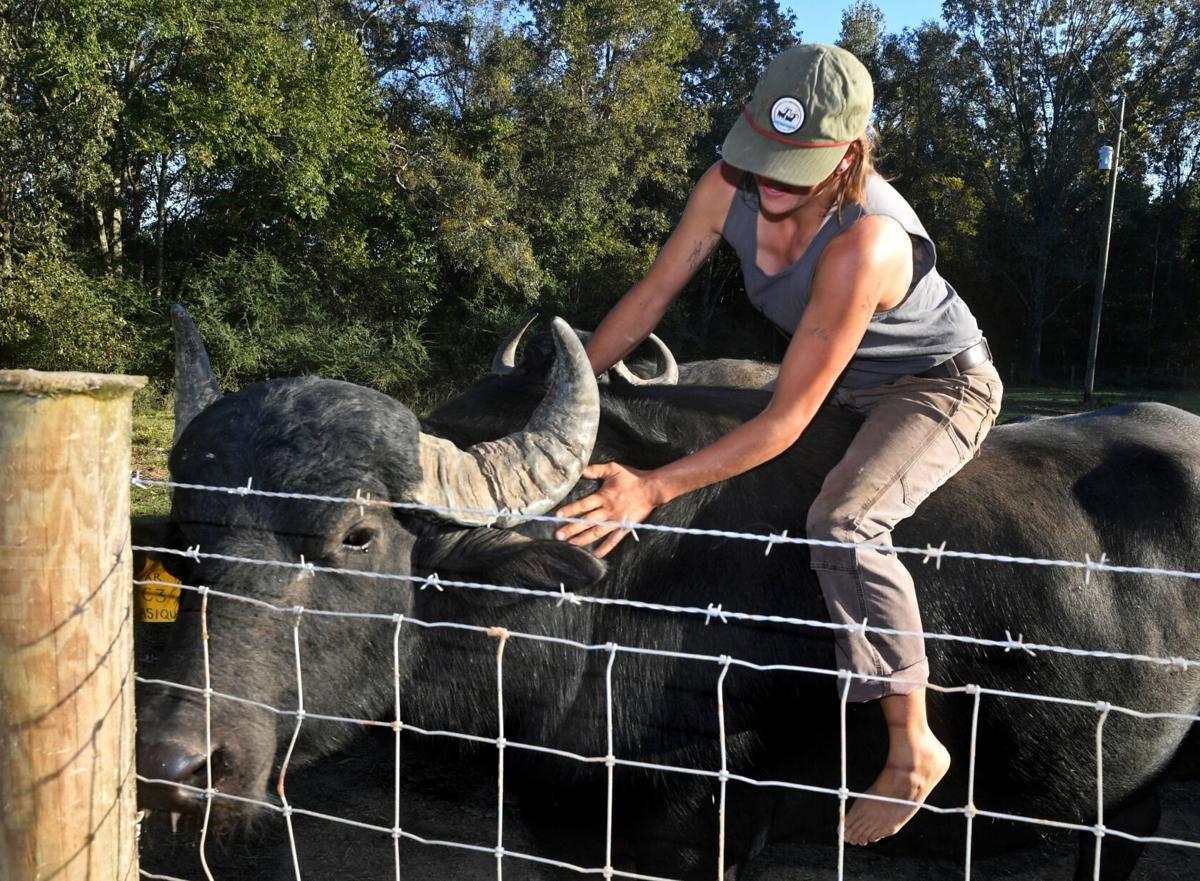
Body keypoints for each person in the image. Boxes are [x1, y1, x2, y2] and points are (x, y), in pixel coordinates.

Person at [552, 43, 1002, 846]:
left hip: (935, 386)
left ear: (851, 156)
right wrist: (567, 390)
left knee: (844, 521)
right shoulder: (727, 184)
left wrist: (652, 488)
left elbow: (787, 420)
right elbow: (653, 292)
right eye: (761, 153)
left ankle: (910, 740)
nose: (766, 180)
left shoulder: (869, 242)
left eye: (793, 166)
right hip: (839, 375)